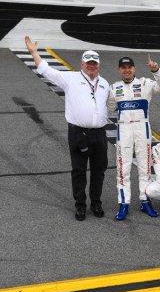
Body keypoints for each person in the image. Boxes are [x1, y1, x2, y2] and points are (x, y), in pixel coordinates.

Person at [24, 36, 109, 221]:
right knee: (78, 170)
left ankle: (96, 203)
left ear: (99, 65)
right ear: (82, 64)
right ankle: (80, 205)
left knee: (99, 170)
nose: (91, 66)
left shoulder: (105, 84)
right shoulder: (70, 78)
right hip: (78, 133)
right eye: (88, 63)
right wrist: (34, 53)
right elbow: (47, 71)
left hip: (100, 134)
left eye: (94, 63)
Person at [108, 54, 160, 221]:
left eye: (130, 67)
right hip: (124, 129)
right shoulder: (114, 88)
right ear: (119, 70)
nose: (127, 70)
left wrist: (155, 70)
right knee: (123, 168)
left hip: (143, 128)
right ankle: (123, 203)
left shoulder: (145, 83)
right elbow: (110, 107)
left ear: (134, 69)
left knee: (144, 166)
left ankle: (144, 200)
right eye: (123, 68)